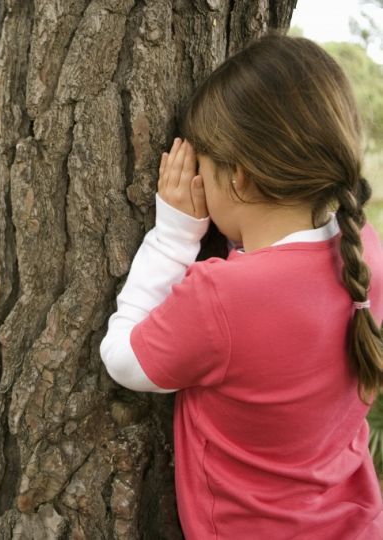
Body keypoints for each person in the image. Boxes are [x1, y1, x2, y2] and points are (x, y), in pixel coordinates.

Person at [99, 34, 383, 538]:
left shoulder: (224, 296)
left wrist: (172, 237)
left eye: (203, 168)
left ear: (243, 179)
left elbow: (125, 361)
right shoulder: (369, 255)